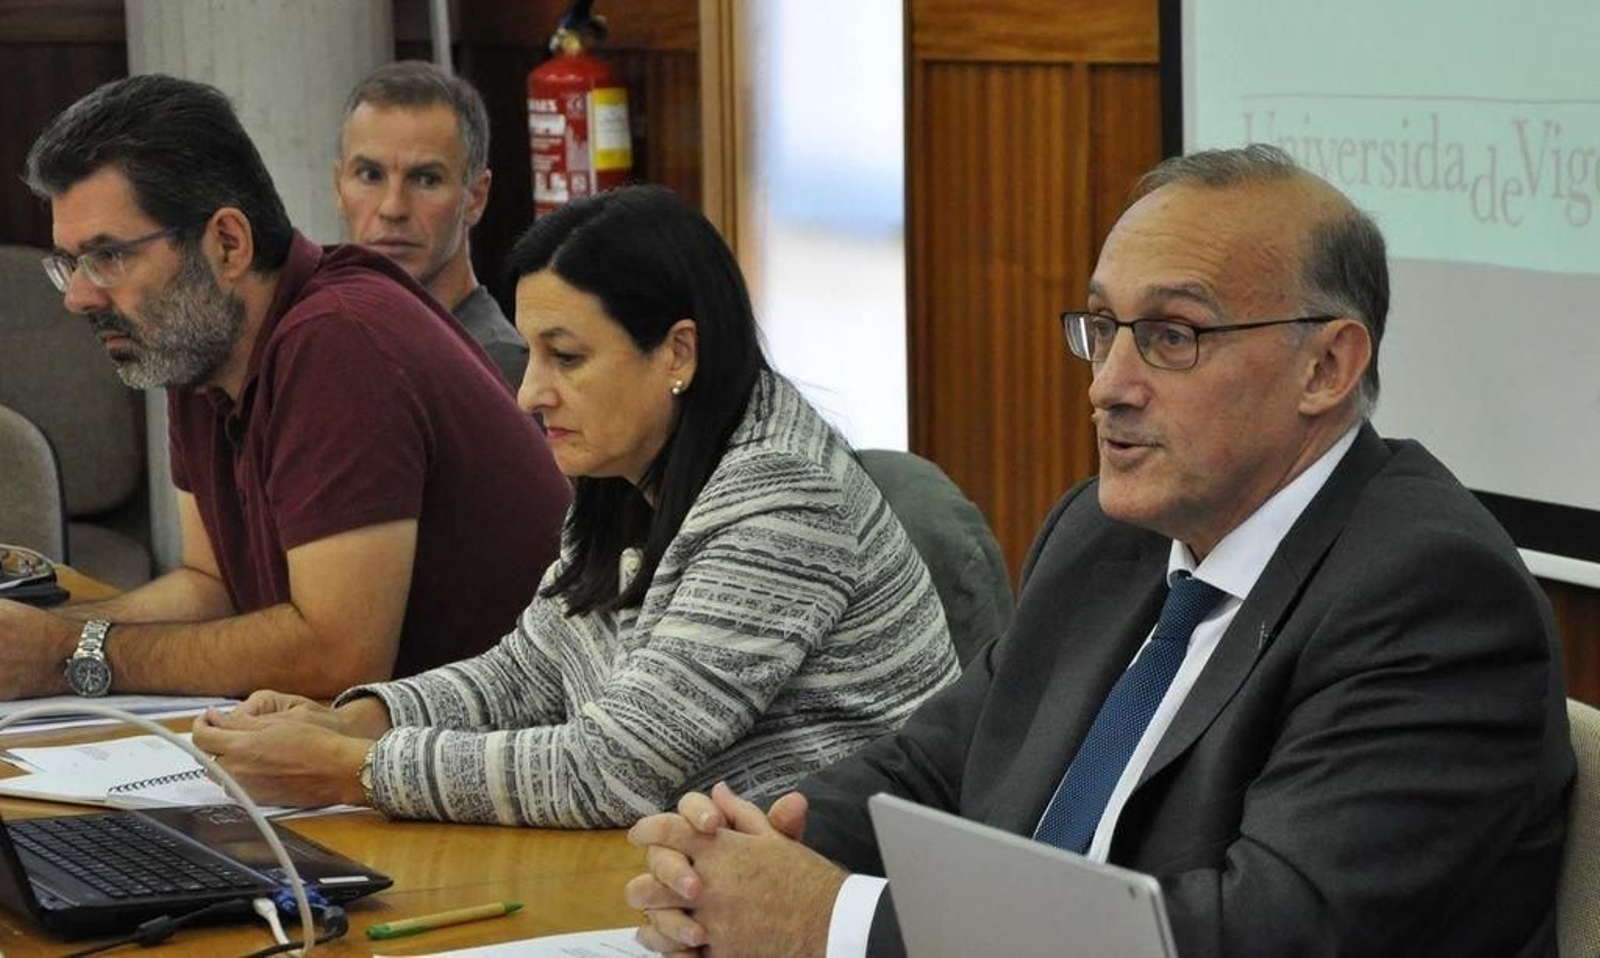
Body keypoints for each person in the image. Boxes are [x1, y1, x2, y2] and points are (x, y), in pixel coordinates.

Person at [624, 145, 1575, 956]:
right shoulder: (1106, 535)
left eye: (1171, 336)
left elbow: (1256, 935)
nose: (1108, 386)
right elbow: (930, 771)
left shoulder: (1433, 597)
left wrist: (836, 923)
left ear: (1325, 367)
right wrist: (743, 850)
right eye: (1103, 329)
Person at [190, 185, 961, 828]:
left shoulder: (781, 501)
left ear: (678, 354)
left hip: (811, 884)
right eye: (533, 357)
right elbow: (531, 670)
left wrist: (350, 769)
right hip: (677, 861)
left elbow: (614, 769)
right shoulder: (631, 466)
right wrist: (358, 720)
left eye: (568, 357)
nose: (531, 394)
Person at [0, 74, 570, 701]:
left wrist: (66, 656)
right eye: (70, 263)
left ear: (226, 243)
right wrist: (32, 639)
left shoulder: (338, 341)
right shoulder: (195, 342)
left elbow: (340, 658)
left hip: (522, 753)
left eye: (108, 257)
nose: (80, 296)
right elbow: (209, 587)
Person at [336, 60, 527, 388]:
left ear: (475, 198)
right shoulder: (324, 349)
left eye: (426, 179)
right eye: (370, 175)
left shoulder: (499, 373)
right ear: (339, 187)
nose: (392, 207)